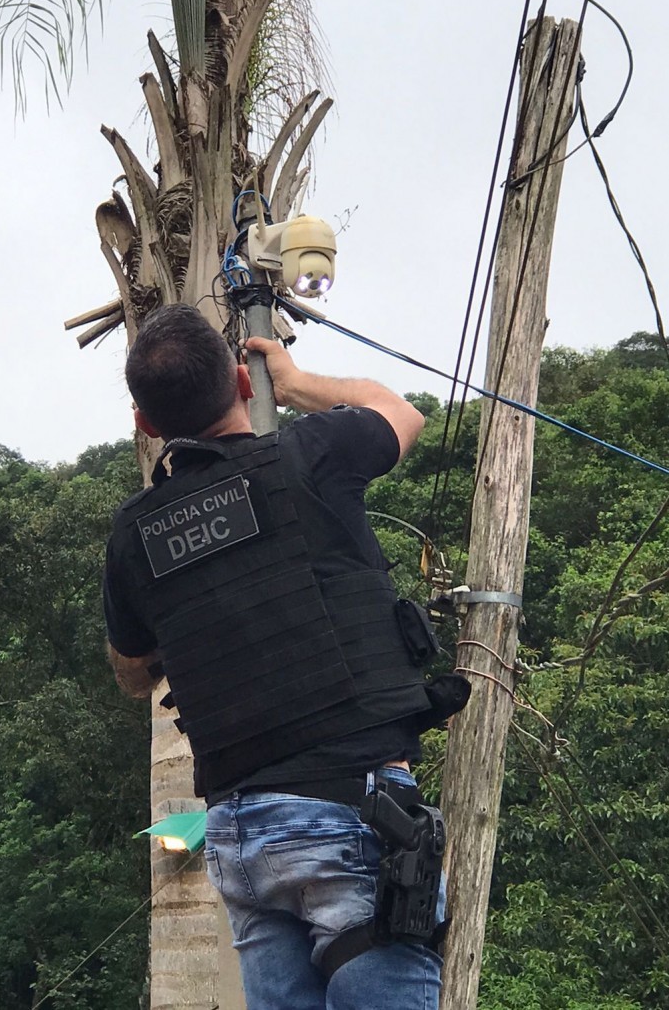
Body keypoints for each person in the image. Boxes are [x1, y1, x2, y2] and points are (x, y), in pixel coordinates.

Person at [103, 304, 469, 1010]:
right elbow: (399, 411)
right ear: (241, 380)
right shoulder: (310, 455)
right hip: (350, 819)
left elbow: (129, 670)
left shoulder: (132, 536)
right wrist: (295, 384)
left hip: (242, 836)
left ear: (146, 426)